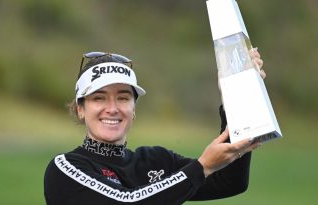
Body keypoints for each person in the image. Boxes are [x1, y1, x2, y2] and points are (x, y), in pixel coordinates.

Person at [44, 49, 264, 205]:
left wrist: (236, 97)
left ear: (134, 109)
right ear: (80, 109)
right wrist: (201, 167)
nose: (112, 108)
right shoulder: (66, 169)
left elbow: (229, 182)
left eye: (123, 98)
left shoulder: (156, 161)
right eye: (99, 99)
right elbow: (127, 201)